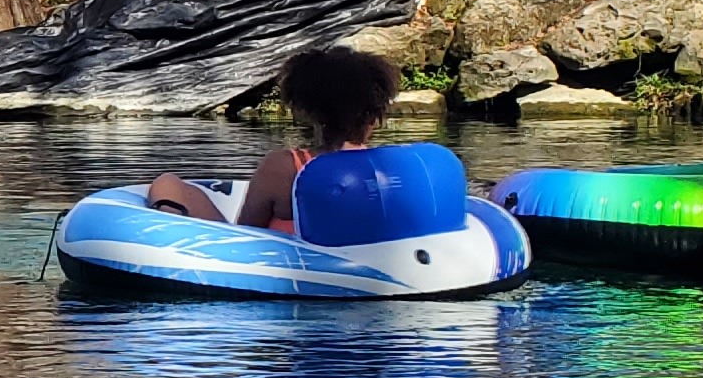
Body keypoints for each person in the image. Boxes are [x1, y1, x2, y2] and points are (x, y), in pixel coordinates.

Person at [144, 45, 463, 241]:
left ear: (309, 111)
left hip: (289, 269)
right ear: (374, 116)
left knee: (167, 183)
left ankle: (166, 228)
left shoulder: (283, 168)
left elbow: (246, 234)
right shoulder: (396, 170)